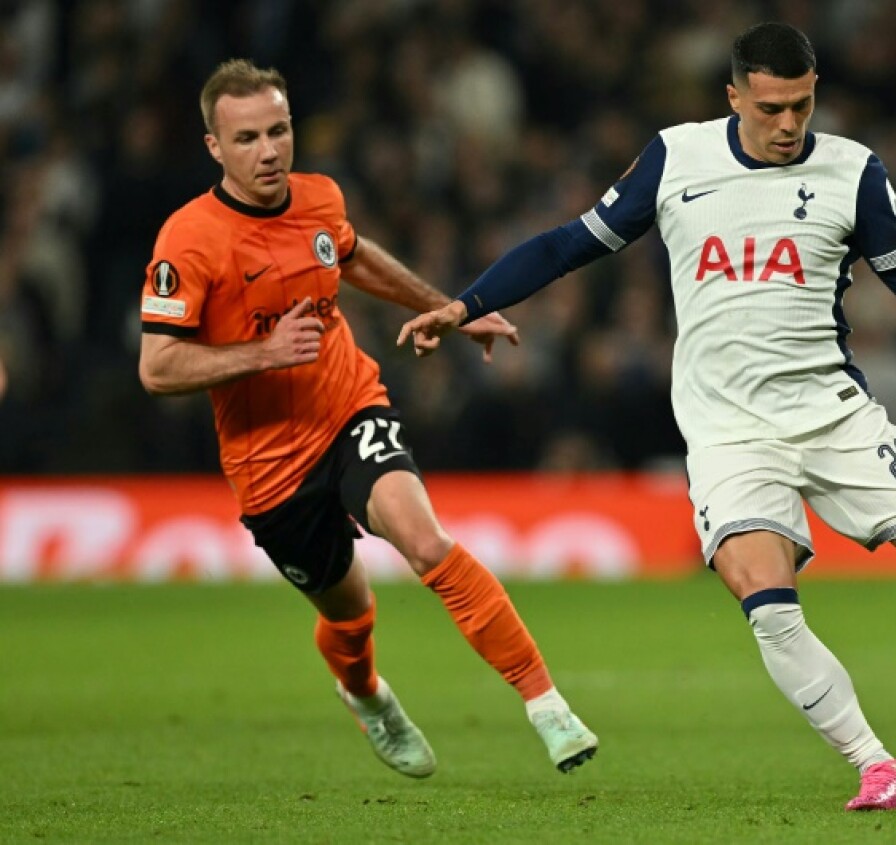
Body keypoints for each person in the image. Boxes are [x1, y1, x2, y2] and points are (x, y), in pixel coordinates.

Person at [399, 22, 896, 810]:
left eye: (801, 105)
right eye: (770, 108)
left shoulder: (853, 173)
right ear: (733, 97)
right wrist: (462, 303)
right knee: (762, 595)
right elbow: (568, 244)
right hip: (728, 432)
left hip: (833, 414)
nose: (789, 125)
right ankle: (875, 765)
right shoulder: (676, 159)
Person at [137, 59, 597, 780]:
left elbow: (351, 257)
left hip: (349, 407)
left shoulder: (318, 199)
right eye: (249, 137)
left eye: (280, 131)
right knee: (349, 613)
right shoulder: (189, 240)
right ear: (214, 147)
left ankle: (547, 705)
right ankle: (366, 693)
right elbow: (157, 366)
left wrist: (447, 309)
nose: (269, 151)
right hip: (269, 467)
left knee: (425, 539)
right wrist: (262, 352)